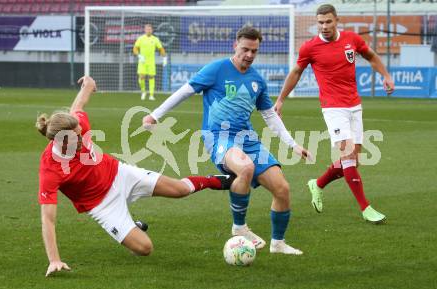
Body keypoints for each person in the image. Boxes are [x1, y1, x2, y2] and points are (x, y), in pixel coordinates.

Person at [36, 76, 233, 277]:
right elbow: (48, 219)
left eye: (80, 131)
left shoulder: (78, 126)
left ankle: (214, 180)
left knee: (180, 190)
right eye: (77, 136)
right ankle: (134, 228)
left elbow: (78, 105)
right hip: (102, 205)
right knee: (144, 249)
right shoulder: (50, 170)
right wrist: (54, 260)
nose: (82, 136)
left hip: (120, 173)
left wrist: (88, 86)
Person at [143, 26, 312, 255]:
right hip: (219, 137)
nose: (250, 55)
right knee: (245, 168)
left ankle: (278, 243)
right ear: (235, 45)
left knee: (282, 189)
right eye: (245, 49)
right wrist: (155, 115)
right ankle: (239, 227)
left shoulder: (257, 81)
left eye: (254, 51)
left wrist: (293, 144)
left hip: (248, 139)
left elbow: (270, 115)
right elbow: (185, 91)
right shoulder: (217, 69)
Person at [274, 4, 394, 224]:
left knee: (352, 162)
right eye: (320, 22)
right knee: (348, 156)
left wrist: (386, 75)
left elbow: (371, 56)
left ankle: (317, 184)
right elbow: (296, 72)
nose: (324, 26)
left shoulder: (352, 40)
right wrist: (280, 99)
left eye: (328, 21)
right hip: (333, 108)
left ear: (337, 20)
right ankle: (366, 208)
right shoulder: (310, 48)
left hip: (354, 106)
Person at [133, 23, 167, 101]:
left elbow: (161, 49)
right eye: (147, 29)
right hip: (142, 62)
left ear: (152, 30)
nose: (148, 30)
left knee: (151, 77)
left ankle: (151, 95)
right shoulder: (140, 38)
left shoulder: (155, 39)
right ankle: (143, 92)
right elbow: (135, 48)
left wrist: (164, 58)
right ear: (144, 30)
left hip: (151, 62)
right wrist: (139, 56)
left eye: (150, 29)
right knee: (142, 76)